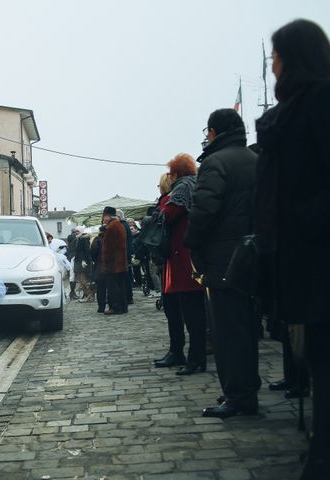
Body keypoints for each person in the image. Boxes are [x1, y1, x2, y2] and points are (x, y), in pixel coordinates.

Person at [255, 19, 330, 479]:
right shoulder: (293, 109)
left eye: (276, 56)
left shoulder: (321, 102)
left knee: (324, 354)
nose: (273, 66)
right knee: (317, 355)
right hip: (301, 257)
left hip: (319, 254)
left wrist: (301, 218)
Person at [184, 108, 259, 418]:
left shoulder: (216, 163)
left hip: (223, 259)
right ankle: (246, 390)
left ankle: (237, 396)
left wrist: (193, 245)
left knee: (227, 331)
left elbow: (204, 212)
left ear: (213, 132)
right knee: (247, 329)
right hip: (252, 256)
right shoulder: (254, 160)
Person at [154, 154, 207, 375]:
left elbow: (168, 216)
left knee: (191, 312)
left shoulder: (183, 188)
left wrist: (156, 216)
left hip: (184, 258)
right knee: (192, 311)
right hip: (189, 256)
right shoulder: (194, 185)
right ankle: (192, 356)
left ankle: (196, 358)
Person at [101, 206, 128, 315]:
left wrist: (106, 262)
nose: (103, 220)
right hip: (121, 261)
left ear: (107, 216)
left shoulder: (111, 227)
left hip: (113, 263)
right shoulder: (119, 225)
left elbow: (108, 247)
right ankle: (123, 306)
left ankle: (115, 307)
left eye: (104, 217)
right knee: (121, 285)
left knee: (113, 286)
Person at [72, 226, 93, 302]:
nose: (76, 232)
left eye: (77, 231)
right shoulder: (78, 238)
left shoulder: (84, 238)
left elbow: (87, 250)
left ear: (81, 231)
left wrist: (84, 260)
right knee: (80, 280)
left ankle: (90, 296)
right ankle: (87, 295)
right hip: (78, 261)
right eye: (75, 231)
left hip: (82, 262)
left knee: (83, 280)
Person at [91, 225, 107, 313]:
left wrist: (95, 259)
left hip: (100, 266)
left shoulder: (97, 239)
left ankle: (101, 307)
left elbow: (93, 251)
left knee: (101, 288)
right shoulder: (110, 239)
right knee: (112, 287)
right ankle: (113, 305)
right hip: (111, 266)